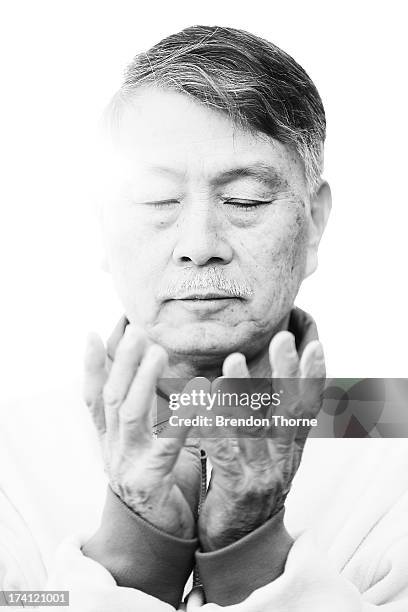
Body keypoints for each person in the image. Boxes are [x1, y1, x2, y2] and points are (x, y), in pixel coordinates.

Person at [1, 25, 408, 611]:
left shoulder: (392, 438)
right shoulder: (9, 452)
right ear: (101, 223)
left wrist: (253, 551)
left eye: (244, 200)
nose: (198, 243)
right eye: (158, 200)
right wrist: (135, 548)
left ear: (314, 222)